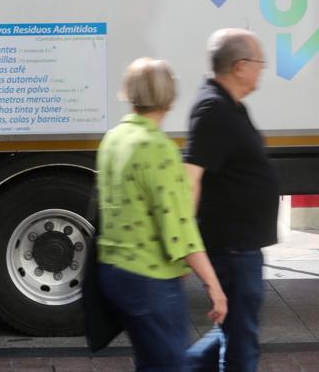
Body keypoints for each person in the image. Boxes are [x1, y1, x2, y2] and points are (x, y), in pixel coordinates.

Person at [96, 58, 228, 371]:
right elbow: (178, 228)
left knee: (151, 362)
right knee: (171, 365)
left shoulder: (113, 138)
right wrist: (213, 285)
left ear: (130, 92)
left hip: (115, 272)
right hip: (150, 278)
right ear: (169, 97)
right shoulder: (158, 147)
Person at [184, 29, 281, 372]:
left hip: (242, 245)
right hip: (232, 248)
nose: (262, 69)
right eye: (259, 62)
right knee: (241, 344)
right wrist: (185, 245)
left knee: (234, 331)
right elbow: (190, 180)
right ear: (240, 66)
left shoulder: (231, 105)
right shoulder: (213, 108)